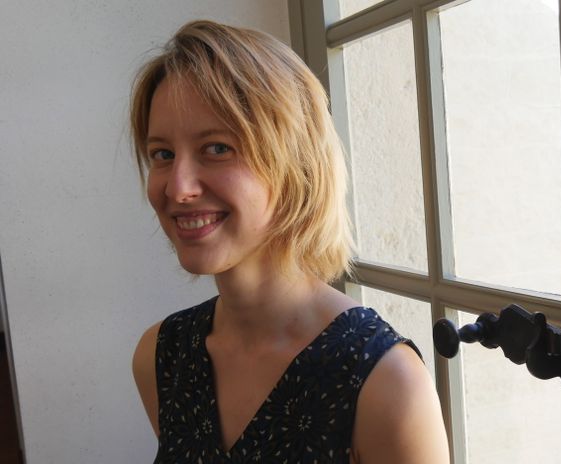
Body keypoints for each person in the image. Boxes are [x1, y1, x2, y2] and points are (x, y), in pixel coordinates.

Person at [130, 20, 449, 464]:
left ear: (295, 164)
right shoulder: (161, 357)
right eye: (162, 154)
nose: (178, 188)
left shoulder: (384, 382)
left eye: (217, 148)